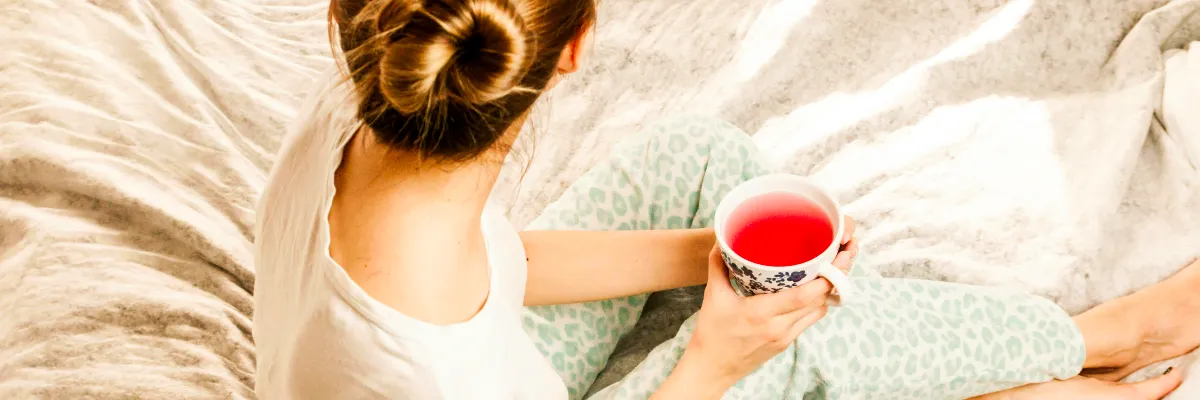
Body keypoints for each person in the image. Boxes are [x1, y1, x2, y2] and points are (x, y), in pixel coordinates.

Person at [250, 0, 1200, 398]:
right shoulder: (436, 376)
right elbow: (450, 335)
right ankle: (1101, 339)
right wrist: (710, 357)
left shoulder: (359, 106)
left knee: (701, 157)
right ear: (576, 47)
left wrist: (702, 252)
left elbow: (496, 268)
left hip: (462, 364)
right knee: (813, 338)